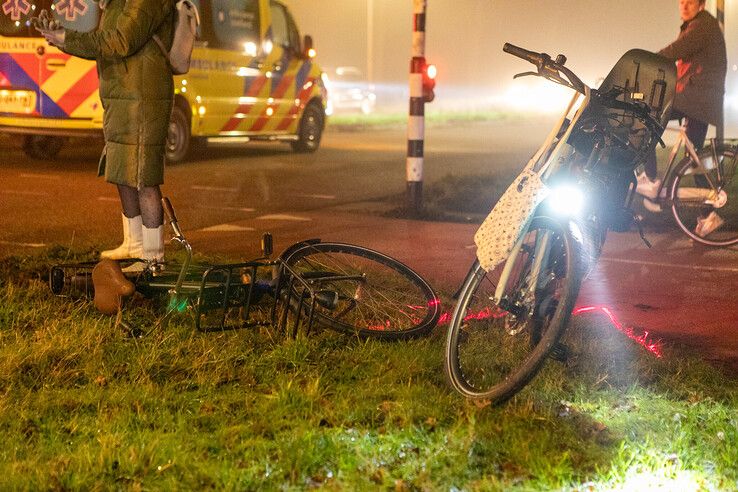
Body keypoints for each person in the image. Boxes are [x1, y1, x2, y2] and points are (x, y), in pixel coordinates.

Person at [36, 0, 175, 263]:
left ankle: (153, 257)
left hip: (143, 97)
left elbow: (121, 40)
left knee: (143, 176)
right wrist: (62, 38)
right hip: (121, 95)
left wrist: (68, 37)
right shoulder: (114, 4)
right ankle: (133, 243)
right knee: (122, 170)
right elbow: (105, 41)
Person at [636, 0, 727, 236]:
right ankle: (708, 216)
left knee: (648, 117)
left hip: (696, 97)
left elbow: (676, 50)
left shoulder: (702, 25)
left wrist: (645, 62)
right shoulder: (697, 25)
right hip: (699, 98)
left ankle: (651, 180)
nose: (684, 5)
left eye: (690, 2)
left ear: (701, 5)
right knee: (693, 160)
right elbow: (681, 63)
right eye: (682, 1)